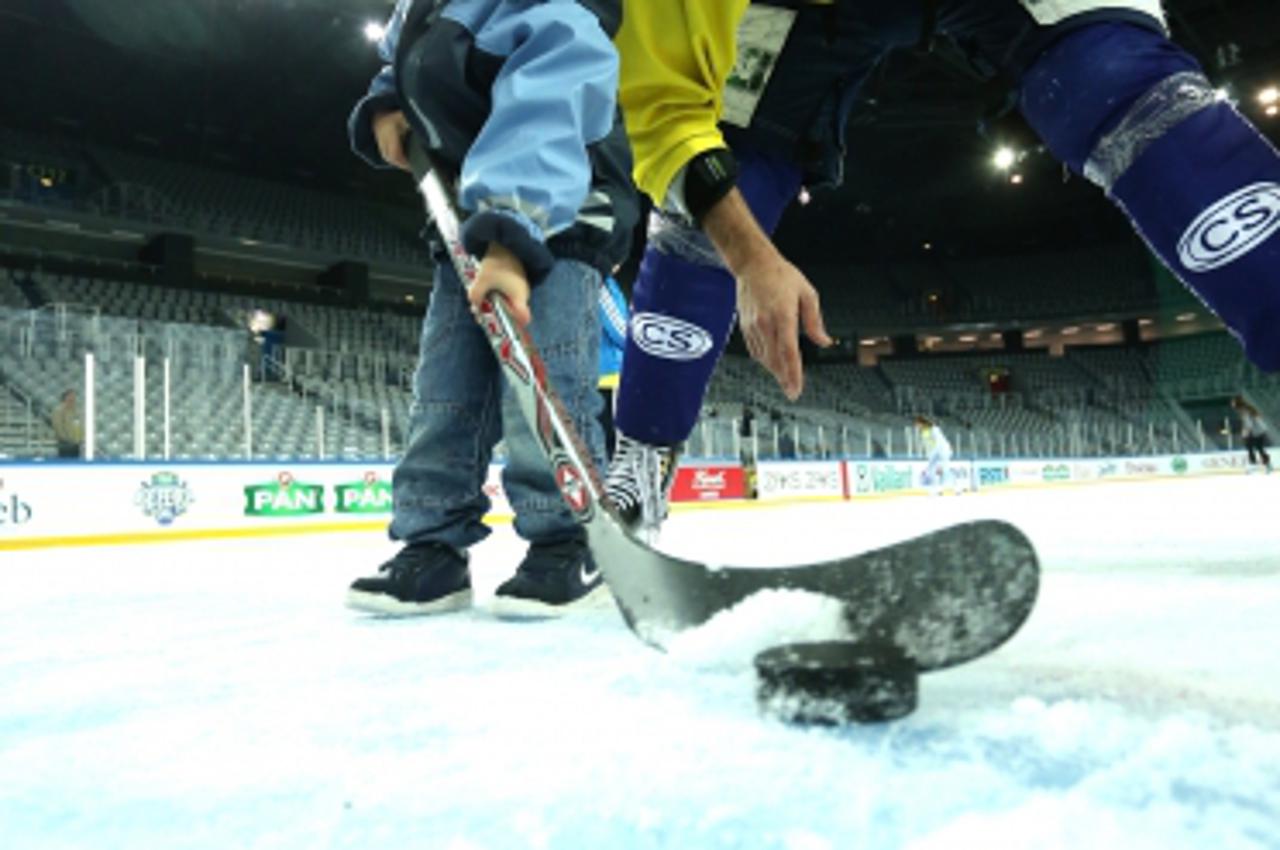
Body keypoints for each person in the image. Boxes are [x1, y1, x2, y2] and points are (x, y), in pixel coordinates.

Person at [605, 0, 1280, 533]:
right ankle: (640, 462)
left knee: (1119, 85)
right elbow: (667, 111)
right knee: (716, 205)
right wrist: (749, 255)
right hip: (797, 16)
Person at [344, 0, 638, 618]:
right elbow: (402, 56)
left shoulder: (556, 7)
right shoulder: (425, 7)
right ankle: (434, 544)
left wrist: (511, 232)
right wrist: (387, 100)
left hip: (557, 214)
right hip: (471, 224)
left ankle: (573, 541)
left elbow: (549, 106)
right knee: (446, 391)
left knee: (543, 377)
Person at [597, 274, 629, 460]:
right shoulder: (601, 282)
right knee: (609, 444)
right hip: (606, 376)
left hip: (590, 373)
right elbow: (619, 330)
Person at [915, 416, 962, 495]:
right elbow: (927, 445)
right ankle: (936, 489)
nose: (917, 426)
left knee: (946, 470)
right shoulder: (923, 432)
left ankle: (957, 489)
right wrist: (929, 455)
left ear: (922, 423)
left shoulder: (934, 429)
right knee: (930, 470)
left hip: (943, 451)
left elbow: (939, 442)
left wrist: (935, 456)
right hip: (934, 453)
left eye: (918, 424)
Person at [1231, 396, 1272, 474]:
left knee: (1249, 446)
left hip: (1256, 431)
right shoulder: (1248, 408)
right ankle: (1267, 465)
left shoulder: (1244, 410)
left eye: (1233, 402)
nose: (1232, 404)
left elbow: (1249, 423)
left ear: (1237, 403)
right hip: (1260, 430)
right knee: (1259, 448)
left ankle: (1253, 465)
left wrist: (1245, 432)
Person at [51, 389, 83, 459]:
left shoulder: (75, 411)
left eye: (74, 396)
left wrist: (78, 438)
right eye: (71, 396)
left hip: (75, 444)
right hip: (65, 444)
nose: (74, 398)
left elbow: (78, 425)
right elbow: (59, 428)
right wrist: (68, 440)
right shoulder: (58, 411)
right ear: (66, 397)